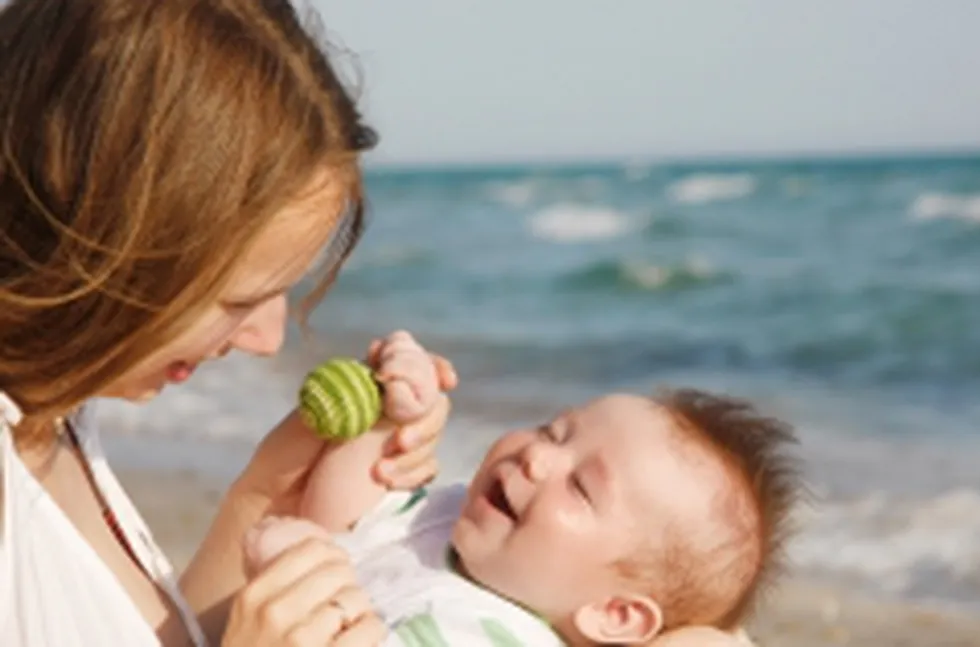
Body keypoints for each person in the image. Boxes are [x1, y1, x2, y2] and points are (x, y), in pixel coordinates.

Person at [0, 1, 757, 645]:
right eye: (237, 299)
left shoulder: (51, 417)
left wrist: (271, 488)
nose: (266, 337)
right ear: (99, 232)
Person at [247, 333, 799, 646]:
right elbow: (342, 517)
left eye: (581, 488)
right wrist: (391, 417)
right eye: (553, 431)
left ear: (615, 614)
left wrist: (301, 569)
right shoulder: (441, 522)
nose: (537, 457)